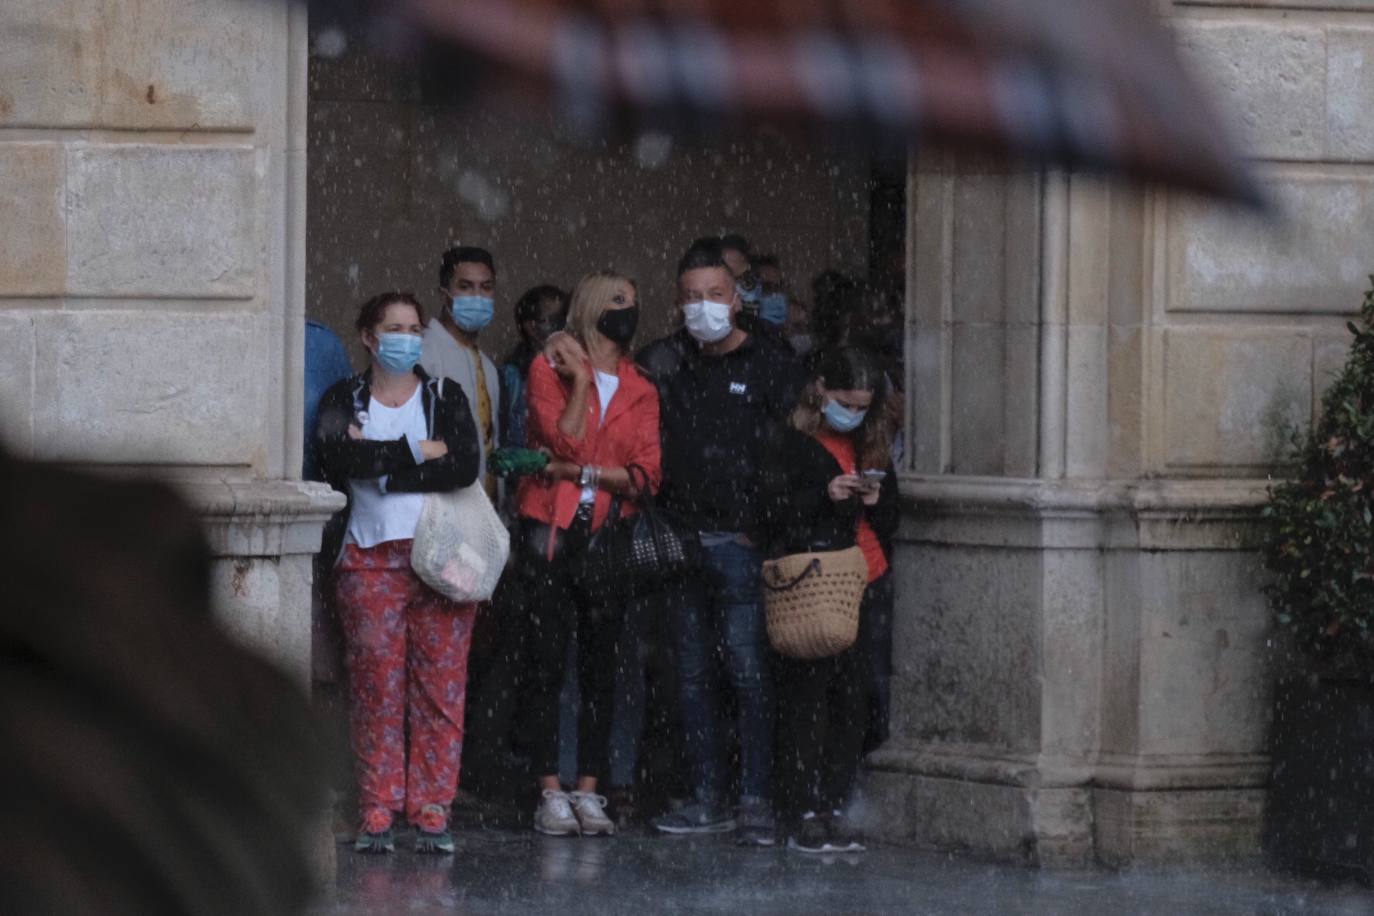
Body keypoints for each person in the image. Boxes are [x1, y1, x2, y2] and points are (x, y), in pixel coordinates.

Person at [637, 238, 806, 846]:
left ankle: (756, 797)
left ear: (737, 299)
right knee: (690, 677)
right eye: (690, 297)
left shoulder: (770, 367)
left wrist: (761, 527)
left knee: (748, 674)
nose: (701, 307)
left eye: (713, 295)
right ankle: (707, 795)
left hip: (742, 545)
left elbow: (791, 455)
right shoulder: (667, 365)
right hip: (682, 544)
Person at [316, 292, 483, 855]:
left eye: (413, 328)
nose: (406, 338)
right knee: (375, 689)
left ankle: (433, 806)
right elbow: (337, 458)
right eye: (394, 328)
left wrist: (385, 463)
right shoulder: (345, 397)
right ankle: (378, 807)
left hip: (441, 559)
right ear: (368, 336)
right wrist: (418, 450)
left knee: (441, 687)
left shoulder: (444, 395)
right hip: (366, 560)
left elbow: (462, 465)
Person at [515, 270, 662, 836]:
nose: (630, 309)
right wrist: (579, 384)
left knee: (602, 666)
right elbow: (564, 438)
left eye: (634, 300)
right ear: (594, 305)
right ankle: (549, 789)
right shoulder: (547, 367)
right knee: (545, 663)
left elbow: (648, 475)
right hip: (548, 531)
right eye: (619, 300)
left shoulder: (641, 387)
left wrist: (581, 473)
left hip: (607, 538)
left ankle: (590, 790)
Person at [758, 346, 898, 854]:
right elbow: (769, 515)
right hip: (814, 582)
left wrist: (877, 500)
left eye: (862, 406)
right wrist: (825, 495)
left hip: (866, 578)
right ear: (819, 389)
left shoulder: (870, 443)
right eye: (845, 402)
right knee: (806, 700)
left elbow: (891, 518)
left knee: (855, 700)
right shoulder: (789, 441)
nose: (853, 414)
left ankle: (833, 804)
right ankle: (801, 809)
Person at [421, 245, 503, 500]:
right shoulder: (424, 353)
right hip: (442, 506)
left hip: (485, 511)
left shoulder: (487, 366)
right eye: (465, 287)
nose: (477, 296)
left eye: (486, 287)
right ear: (444, 294)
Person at [500, 284, 570, 450]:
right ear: (531, 327)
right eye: (556, 319)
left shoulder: (577, 367)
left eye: (567, 318)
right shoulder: (511, 376)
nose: (564, 326)